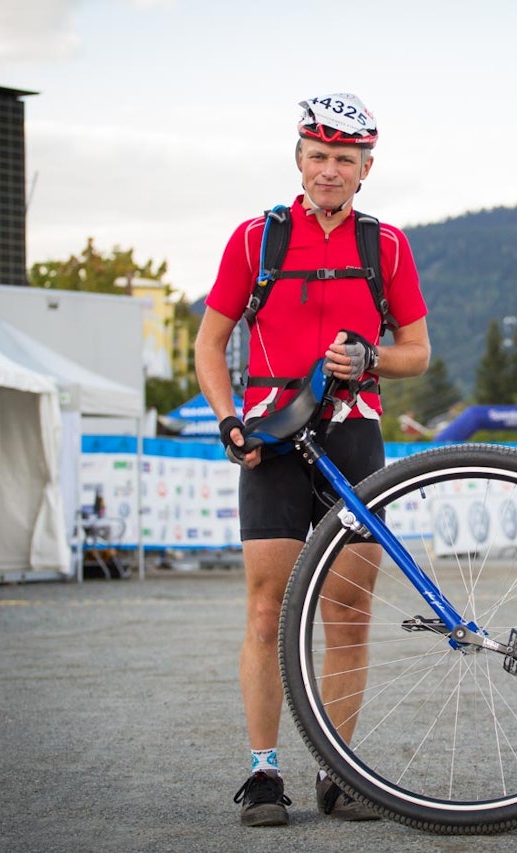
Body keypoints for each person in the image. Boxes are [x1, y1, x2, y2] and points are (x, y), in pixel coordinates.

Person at [194, 92, 431, 828]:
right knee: (267, 612)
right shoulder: (252, 240)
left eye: (345, 159)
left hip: (354, 434)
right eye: (319, 156)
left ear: (366, 167)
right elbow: (209, 342)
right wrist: (228, 416)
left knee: (349, 611)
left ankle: (339, 768)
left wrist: (370, 358)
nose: (330, 170)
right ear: (299, 158)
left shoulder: (384, 245)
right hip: (271, 436)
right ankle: (264, 773)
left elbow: (419, 353)